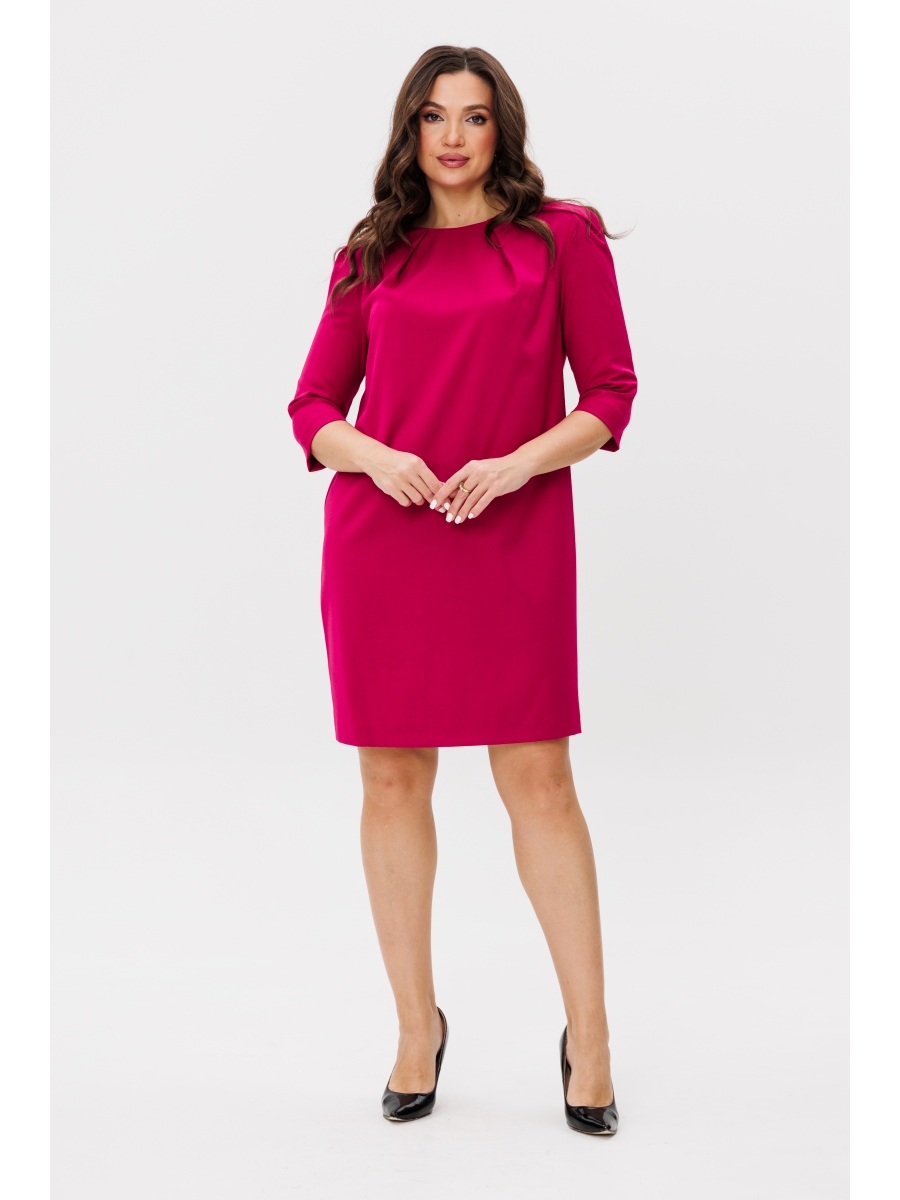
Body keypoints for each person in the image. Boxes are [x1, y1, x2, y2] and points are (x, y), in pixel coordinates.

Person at [288, 44, 637, 1135]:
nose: (452, 137)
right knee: (392, 780)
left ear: (501, 130)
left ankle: (591, 1038)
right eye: (433, 117)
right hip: (384, 544)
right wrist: (375, 456)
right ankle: (415, 1027)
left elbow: (611, 394)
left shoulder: (560, 239)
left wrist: (519, 463)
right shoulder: (371, 254)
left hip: (512, 537)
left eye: (474, 117)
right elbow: (312, 407)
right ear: (410, 130)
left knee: (541, 781)